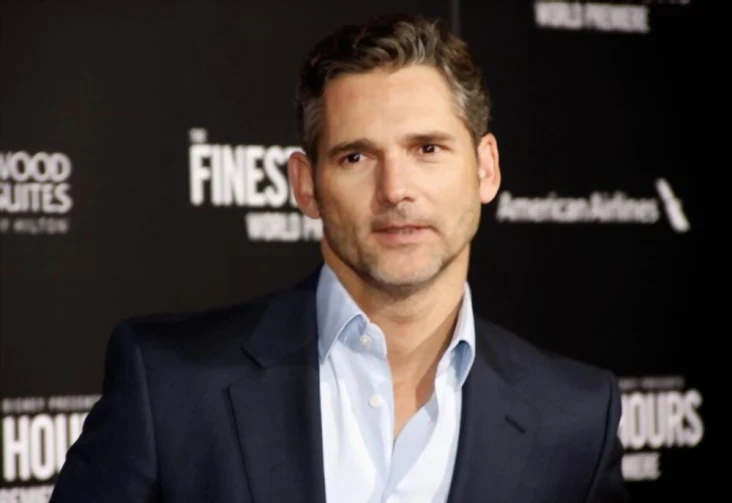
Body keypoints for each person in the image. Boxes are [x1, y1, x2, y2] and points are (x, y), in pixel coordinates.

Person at [49, 12, 627, 503]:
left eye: (427, 148)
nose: (396, 189)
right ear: (306, 186)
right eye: (356, 157)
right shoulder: (169, 385)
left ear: (485, 169)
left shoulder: (576, 418)